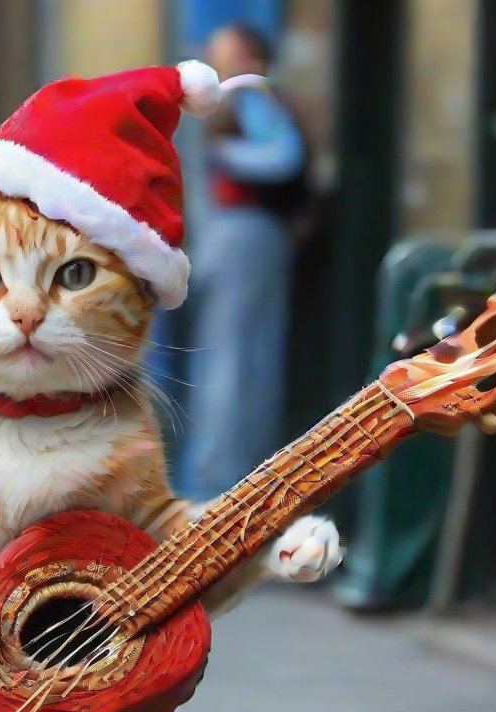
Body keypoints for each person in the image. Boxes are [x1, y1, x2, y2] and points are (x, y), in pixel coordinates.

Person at [177, 23, 310, 500]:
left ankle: (219, 486)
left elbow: (283, 157)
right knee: (239, 360)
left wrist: (224, 155)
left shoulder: (246, 97)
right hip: (234, 239)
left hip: (242, 235)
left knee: (231, 362)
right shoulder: (231, 102)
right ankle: (227, 484)